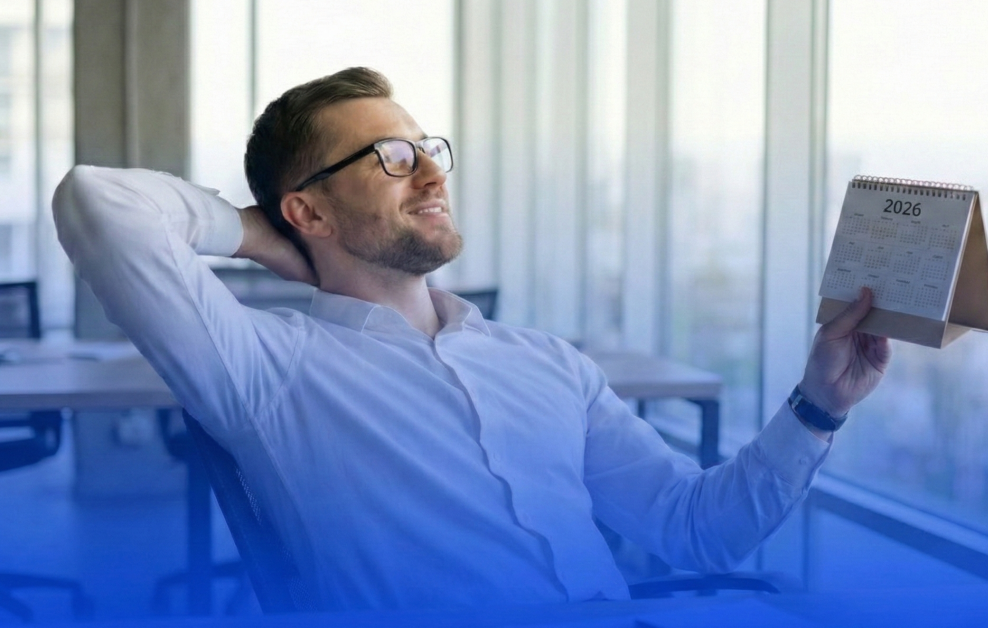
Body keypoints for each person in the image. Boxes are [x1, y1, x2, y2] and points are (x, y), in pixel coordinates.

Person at [53, 67, 890, 611]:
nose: (431, 172)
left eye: (427, 148)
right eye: (390, 156)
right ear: (309, 209)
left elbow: (696, 529)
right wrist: (266, 235)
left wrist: (818, 406)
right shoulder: (267, 368)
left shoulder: (547, 363)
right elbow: (99, 202)